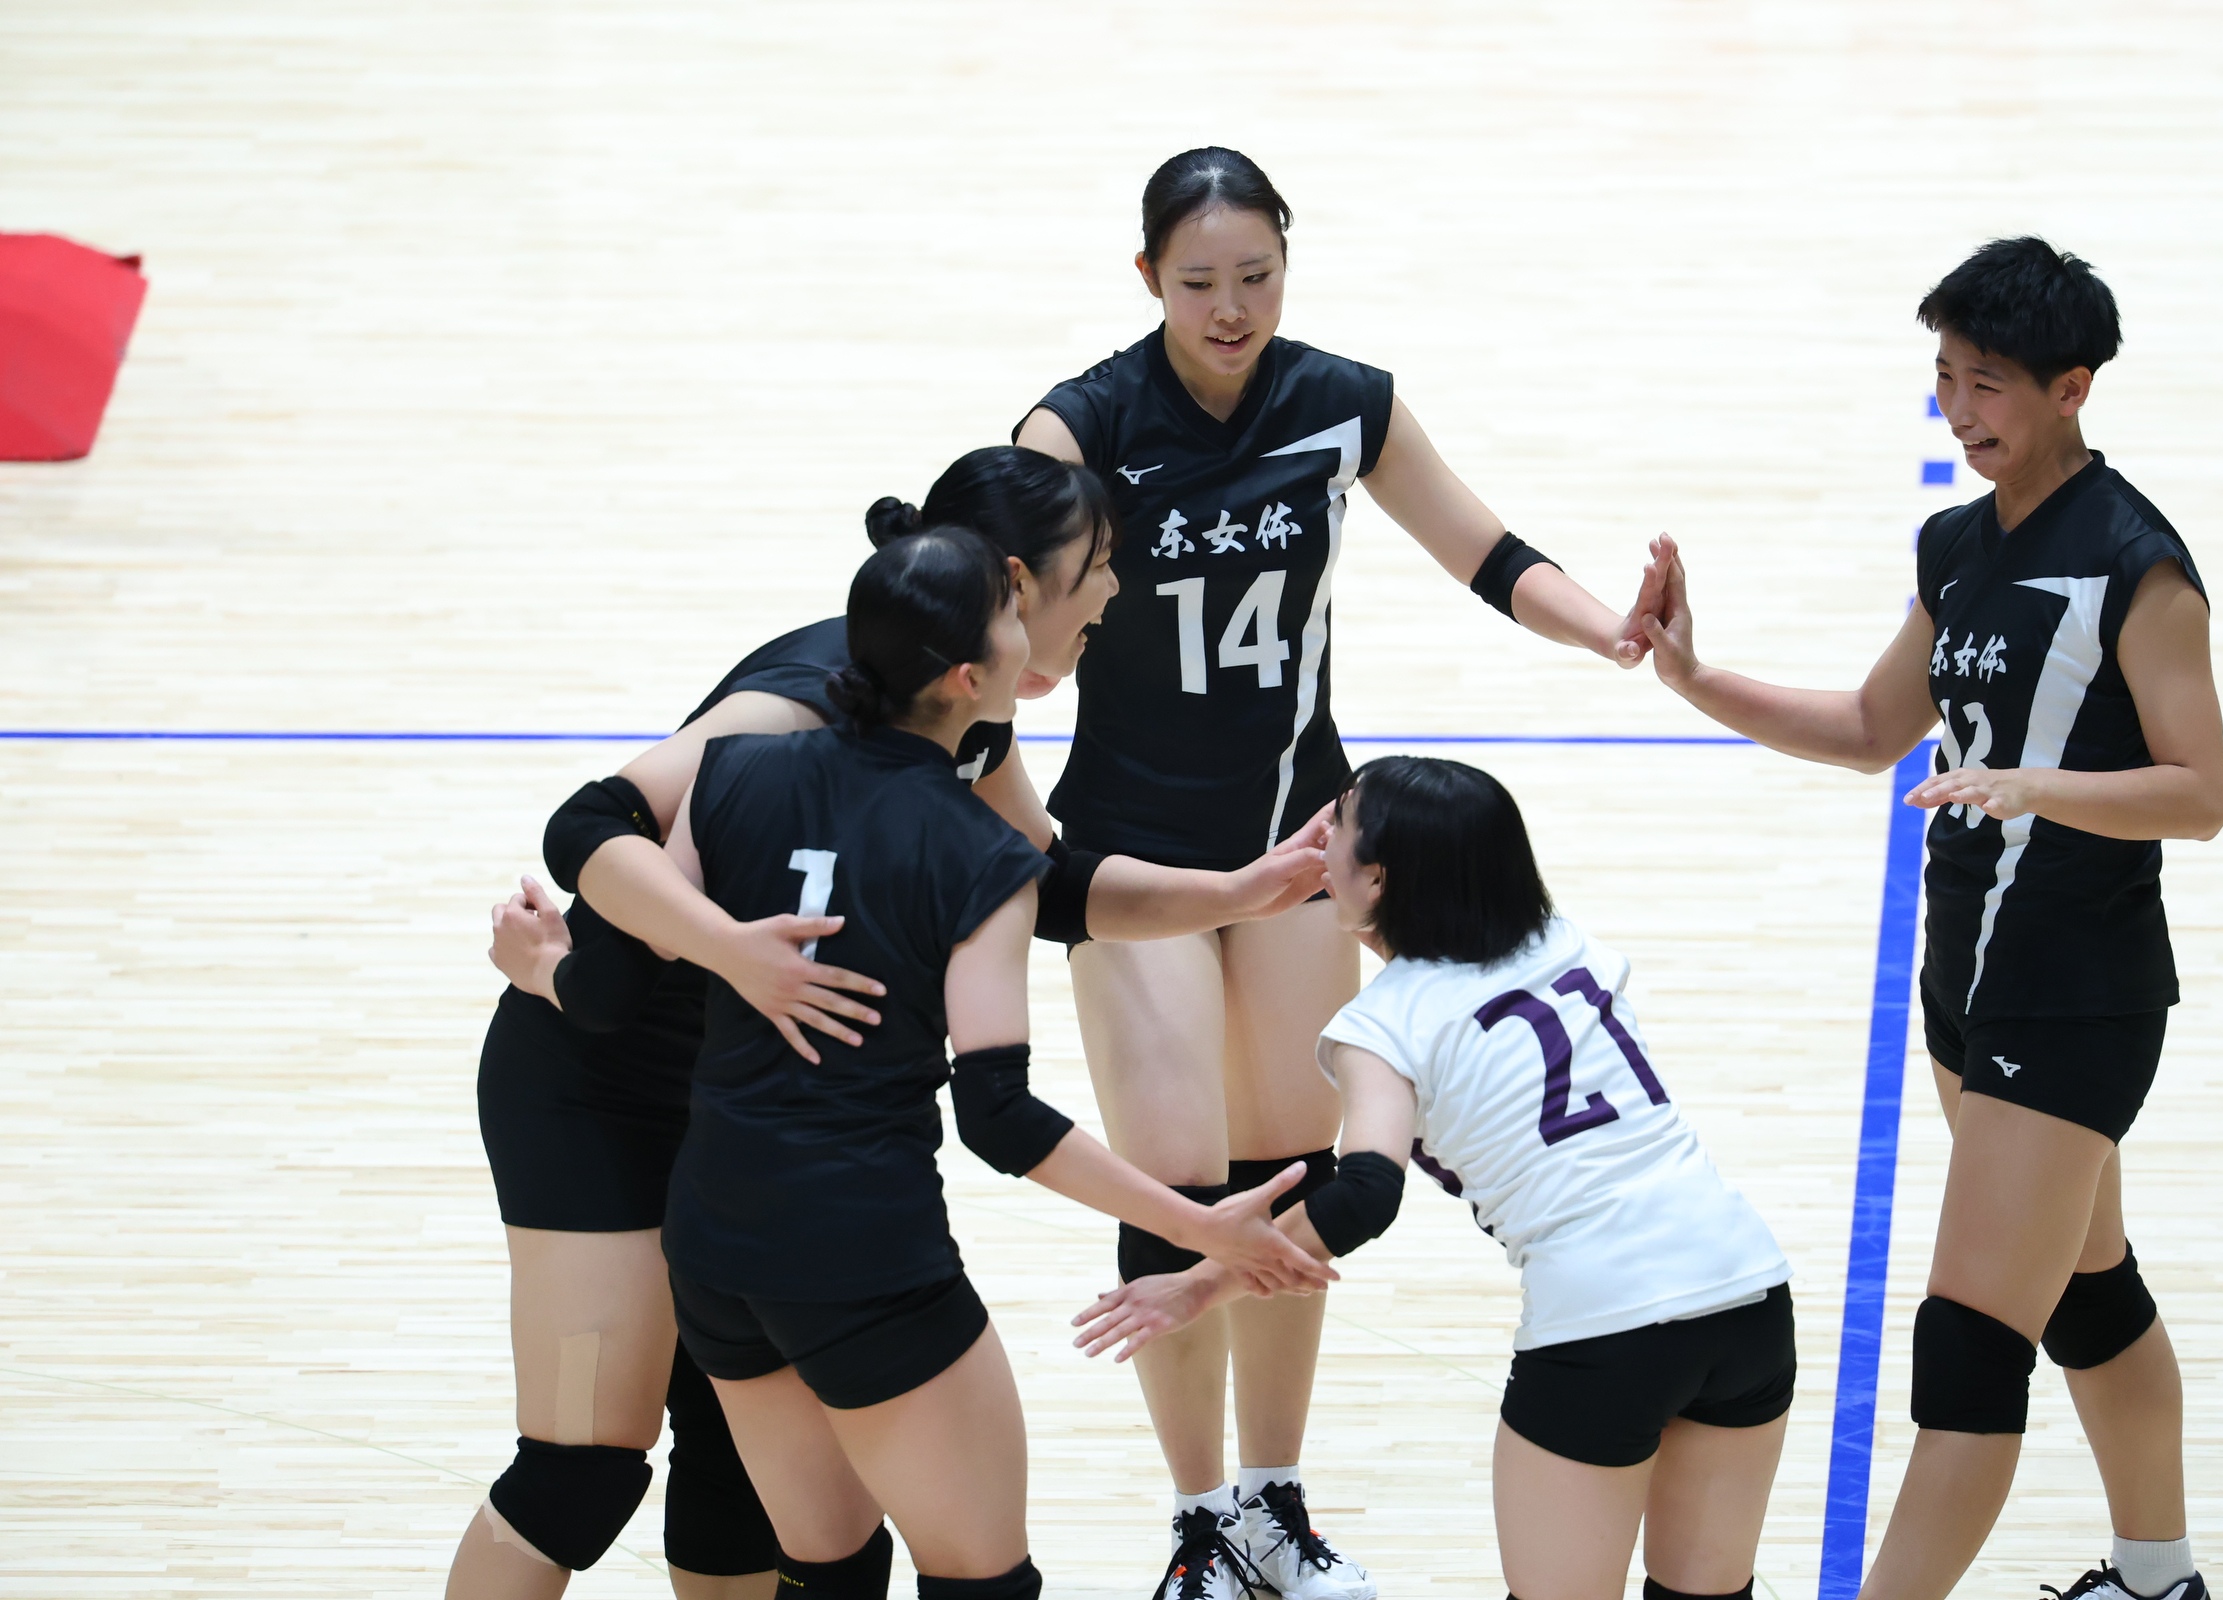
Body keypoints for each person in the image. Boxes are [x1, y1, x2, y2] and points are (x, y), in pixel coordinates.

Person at [453, 447, 1329, 1599]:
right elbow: (592, 838)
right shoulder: (793, 711)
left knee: (745, 1479)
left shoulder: (960, 719)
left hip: (749, 1112)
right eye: (1098, 567)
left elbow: (1043, 882)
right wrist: (713, 955)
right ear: (1011, 590)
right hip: (609, 1080)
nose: (1116, 592)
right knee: (581, 1468)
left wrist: (1231, 893)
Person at [1012, 145, 1664, 1600]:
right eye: (1198, 282)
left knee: (1286, 1173)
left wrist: (1607, 627)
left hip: (1306, 838)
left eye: (1257, 276)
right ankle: (1197, 1523)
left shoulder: (1342, 402)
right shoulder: (1082, 426)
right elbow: (995, 602)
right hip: (1131, 854)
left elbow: (1485, 548)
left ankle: (1272, 1499)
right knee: (1179, 1180)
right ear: (1146, 278)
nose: (1231, 308)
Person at [1635, 238, 2223, 1600]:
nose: (1961, 410)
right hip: (1965, 983)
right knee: (2090, 1293)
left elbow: (2201, 793)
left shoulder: (2138, 567)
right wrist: (1696, 678)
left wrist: (2037, 786)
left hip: (2074, 993)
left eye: (1989, 383)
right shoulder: (1957, 546)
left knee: (1969, 1348)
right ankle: (2160, 1579)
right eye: (1946, 378)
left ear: (2072, 389)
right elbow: (1868, 726)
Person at [1071, 756, 1795, 1600]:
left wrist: (1199, 1285)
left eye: (1337, 825)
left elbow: (1365, 1195)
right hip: (1749, 1294)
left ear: (1377, 878)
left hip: (1604, 1328)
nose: (1318, 839)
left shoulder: (1384, 1025)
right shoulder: (1566, 942)